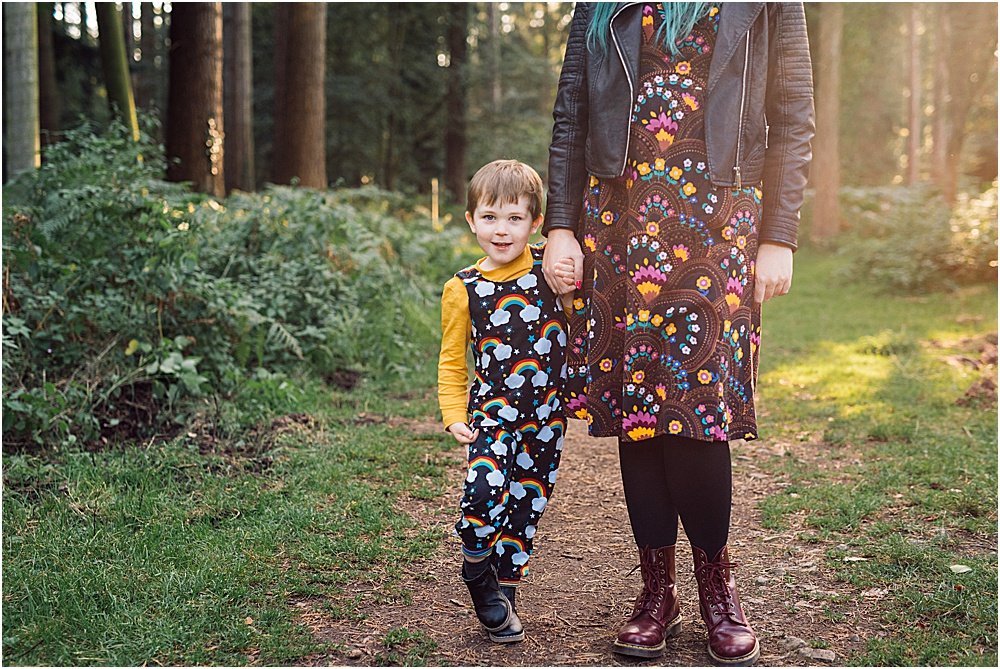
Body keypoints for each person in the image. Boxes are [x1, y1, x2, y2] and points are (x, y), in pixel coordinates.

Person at [541, 3, 815, 666]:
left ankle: (717, 587)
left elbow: (794, 115)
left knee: (697, 406)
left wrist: (779, 234)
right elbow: (572, 112)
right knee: (641, 409)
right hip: (622, 214)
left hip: (720, 217)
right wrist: (560, 225)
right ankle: (656, 591)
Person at [438, 159, 576, 643]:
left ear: (535, 223)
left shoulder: (549, 270)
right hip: (491, 416)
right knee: (482, 495)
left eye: (515, 218)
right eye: (491, 217)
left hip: (546, 418)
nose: (502, 230)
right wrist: (454, 414)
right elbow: (453, 361)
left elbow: (579, 313)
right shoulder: (462, 288)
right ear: (471, 220)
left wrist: (570, 277)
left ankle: (504, 597)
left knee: (526, 505)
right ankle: (476, 570)